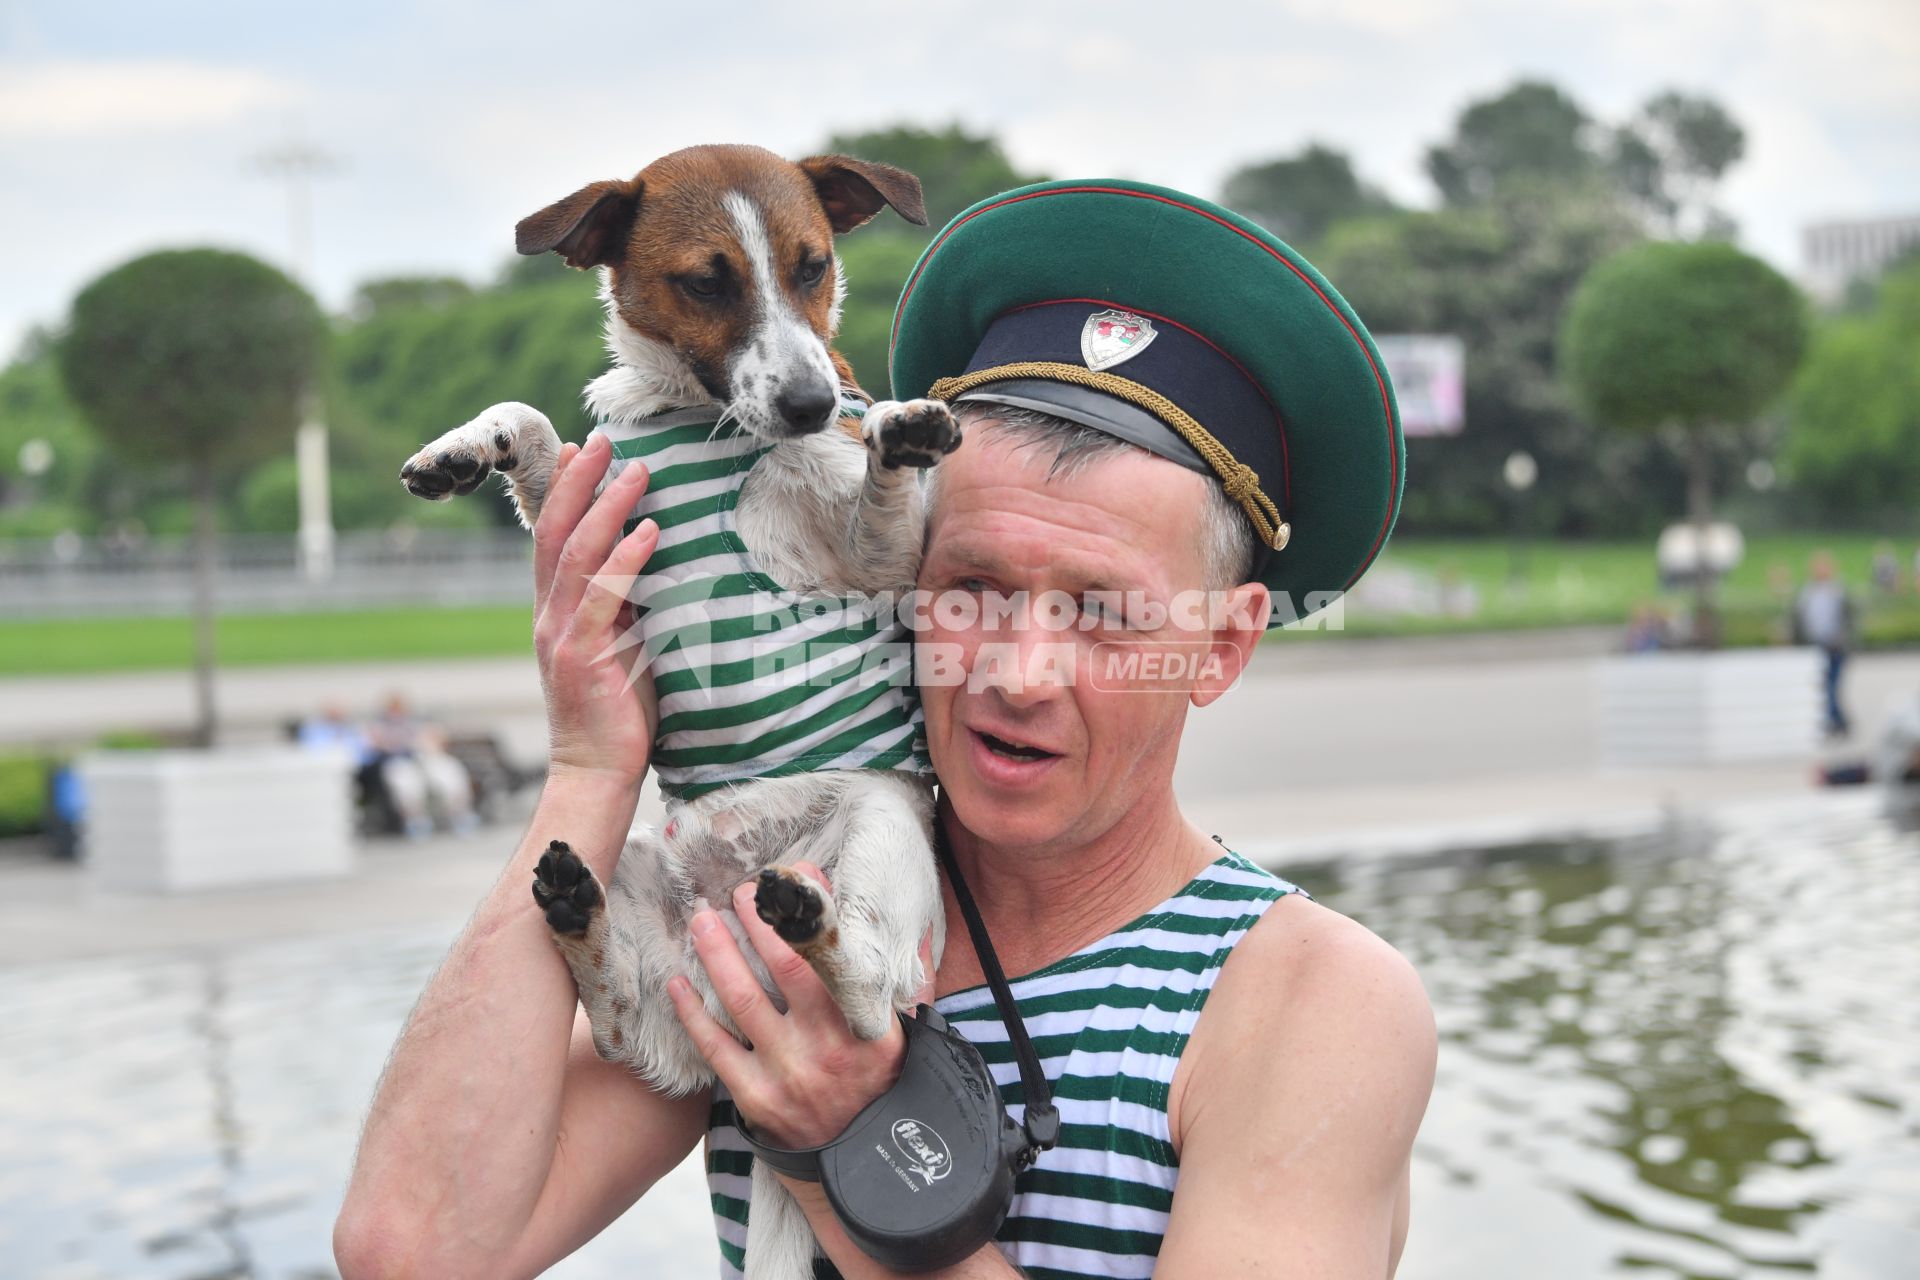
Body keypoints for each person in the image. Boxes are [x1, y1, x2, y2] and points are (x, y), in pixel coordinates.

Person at [336, 179, 1436, 1278]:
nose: (1018, 670)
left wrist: (848, 1146)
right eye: (972, 586)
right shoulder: (763, 902)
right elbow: (411, 1247)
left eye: (1102, 611)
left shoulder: (1308, 998)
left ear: (1224, 643)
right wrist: (591, 769)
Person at [365, 692, 479, 838]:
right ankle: (416, 821)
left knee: (450, 775)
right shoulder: (380, 726)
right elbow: (376, 745)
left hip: (423, 758)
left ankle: (461, 814)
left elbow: (433, 739)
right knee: (408, 786)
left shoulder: (414, 723)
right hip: (399, 761)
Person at [1792, 551, 1858, 739]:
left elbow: (1850, 619)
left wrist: (1845, 639)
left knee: (1832, 687)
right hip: (1816, 646)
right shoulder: (1807, 592)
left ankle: (1836, 722)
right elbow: (1800, 618)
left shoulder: (1838, 590)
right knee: (1824, 687)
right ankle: (1839, 722)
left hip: (1836, 646)